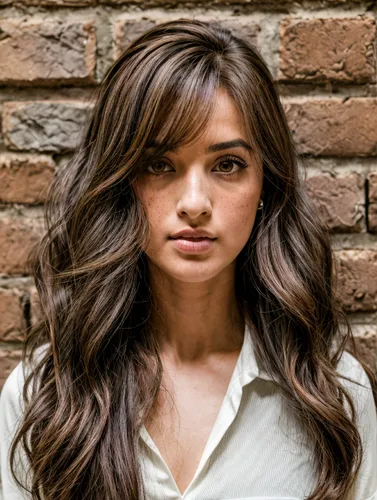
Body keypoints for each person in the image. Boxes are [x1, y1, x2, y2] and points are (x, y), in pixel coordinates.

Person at [0, 18, 376, 500]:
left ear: (266, 185)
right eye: (159, 165)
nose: (195, 202)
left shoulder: (334, 395)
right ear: (121, 184)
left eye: (227, 165)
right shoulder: (44, 396)